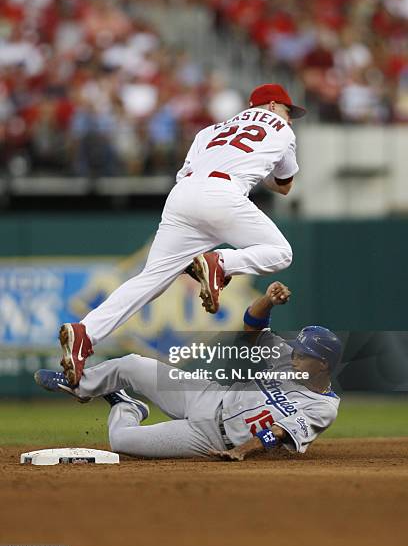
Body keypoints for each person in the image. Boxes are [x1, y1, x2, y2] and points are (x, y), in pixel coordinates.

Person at [58, 84, 306, 387]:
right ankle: (221, 265)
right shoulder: (281, 127)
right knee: (281, 253)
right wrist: (263, 166)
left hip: (182, 196)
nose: (289, 117)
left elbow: (198, 166)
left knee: (151, 279)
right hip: (222, 194)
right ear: (269, 106)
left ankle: (85, 332)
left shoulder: (210, 130)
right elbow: (284, 185)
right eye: (286, 109)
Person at [36, 282, 341, 461]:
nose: (296, 355)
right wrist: (268, 301)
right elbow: (253, 325)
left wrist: (243, 451)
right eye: (298, 349)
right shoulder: (287, 358)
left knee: (121, 441)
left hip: (210, 437)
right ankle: (79, 385)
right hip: (209, 396)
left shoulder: (322, 407)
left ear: (324, 364)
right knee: (131, 364)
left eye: (306, 354)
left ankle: (128, 406)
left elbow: (279, 432)